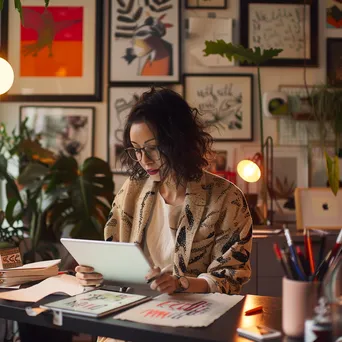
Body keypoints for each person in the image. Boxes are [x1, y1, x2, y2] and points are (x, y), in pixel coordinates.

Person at [75, 87, 253, 340]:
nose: (143, 159)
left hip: (188, 324)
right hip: (128, 323)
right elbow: (113, 257)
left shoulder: (226, 198)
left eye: (153, 147)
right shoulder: (131, 192)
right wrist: (94, 274)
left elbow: (230, 276)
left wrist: (181, 283)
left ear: (179, 141)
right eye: (135, 149)